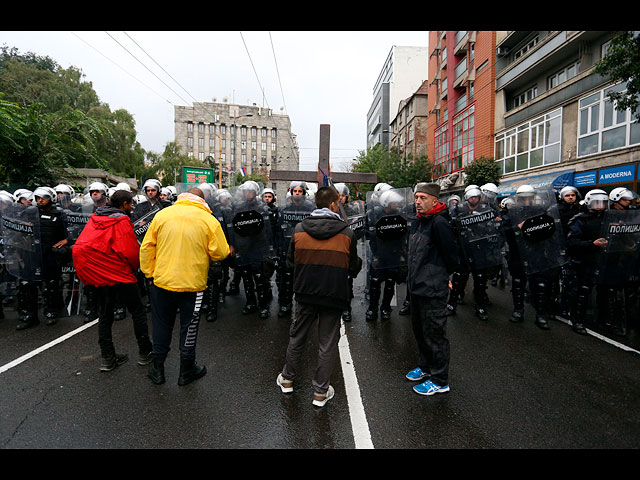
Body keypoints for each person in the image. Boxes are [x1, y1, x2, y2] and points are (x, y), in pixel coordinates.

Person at [276, 186, 362, 407]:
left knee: (298, 336)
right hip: (333, 295)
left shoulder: (299, 229)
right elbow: (353, 268)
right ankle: (320, 393)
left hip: (305, 293)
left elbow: (289, 263)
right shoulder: (347, 232)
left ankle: (287, 379)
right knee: (327, 342)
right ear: (334, 205)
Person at [140, 187, 230, 386]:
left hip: (162, 281)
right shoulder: (209, 220)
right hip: (193, 285)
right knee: (189, 327)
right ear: (202, 200)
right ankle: (186, 371)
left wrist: (150, 274)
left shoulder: (162, 215)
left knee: (161, 324)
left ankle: (157, 370)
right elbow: (221, 253)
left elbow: (146, 247)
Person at [72, 190, 153, 371]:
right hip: (117, 272)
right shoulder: (122, 220)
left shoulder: (95, 217)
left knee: (105, 314)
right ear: (124, 204)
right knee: (137, 311)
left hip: (95, 272)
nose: (131, 207)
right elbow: (130, 251)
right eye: (130, 204)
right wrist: (135, 268)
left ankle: (108, 357)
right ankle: (145, 352)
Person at [405, 182, 459, 396]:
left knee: (435, 333)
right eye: (416, 197)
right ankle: (426, 367)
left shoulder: (439, 223)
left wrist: (442, 276)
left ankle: (439, 379)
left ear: (435, 200)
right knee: (420, 331)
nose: (418, 202)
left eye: (423, 198)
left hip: (432, 288)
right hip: (417, 287)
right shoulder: (418, 222)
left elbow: (452, 256)